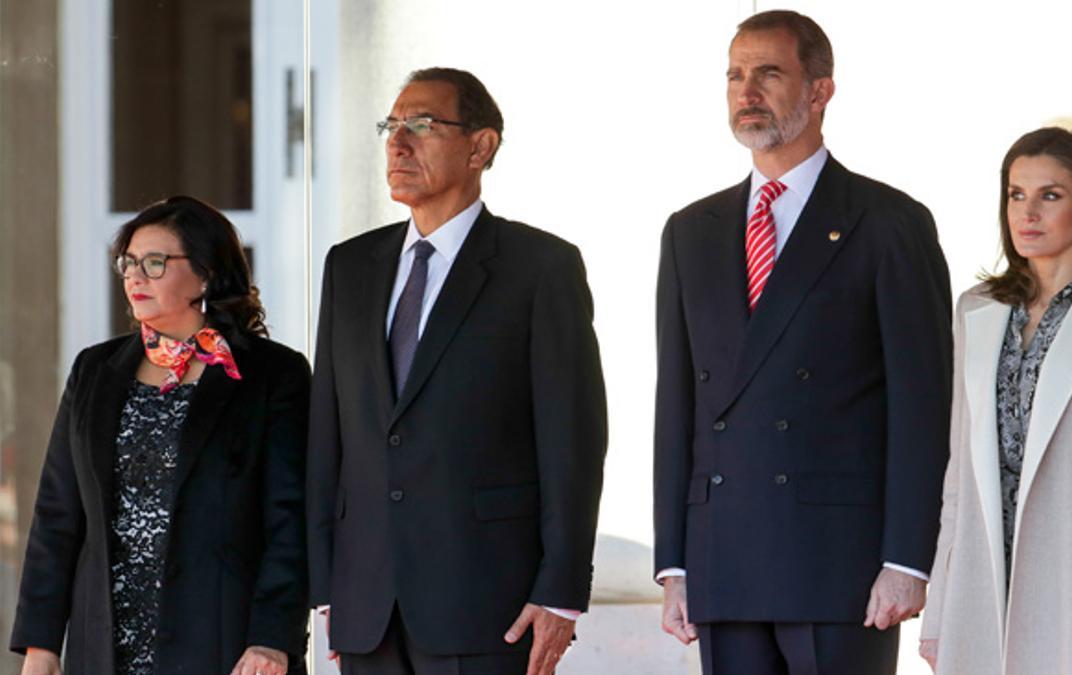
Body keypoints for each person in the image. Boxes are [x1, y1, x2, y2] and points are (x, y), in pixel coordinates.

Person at [653, 9, 953, 675]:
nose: (746, 91)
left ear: (820, 91)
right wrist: (675, 561)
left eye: (768, 73)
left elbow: (924, 405)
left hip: (840, 565)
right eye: (735, 75)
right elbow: (677, 405)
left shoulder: (888, 223)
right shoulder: (690, 231)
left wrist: (906, 560)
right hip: (723, 556)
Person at [306, 67, 607, 675]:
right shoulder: (350, 267)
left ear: (480, 146)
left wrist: (560, 590)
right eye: (390, 126)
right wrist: (326, 586)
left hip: (487, 603)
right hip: (368, 608)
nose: (397, 142)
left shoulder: (540, 268)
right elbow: (328, 437)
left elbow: (572, 441)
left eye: (420, 124)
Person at [10, 196, 310, 674]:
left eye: (155, 262)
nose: (135, 276)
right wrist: (41, 645)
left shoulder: (274, 374)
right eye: (128, 263)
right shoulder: (94, 370)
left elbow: (290, 521)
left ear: (206, 273)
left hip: (227, 647)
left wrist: (273, 638)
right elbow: (57, 516)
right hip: (105, 648)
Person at [919, 127, 1072, 675]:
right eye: (1016, 194)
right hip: (981, 587)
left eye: (1049, 195)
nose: (1027, 212)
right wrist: (939, 610)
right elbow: (958, 478)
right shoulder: (975, 310)